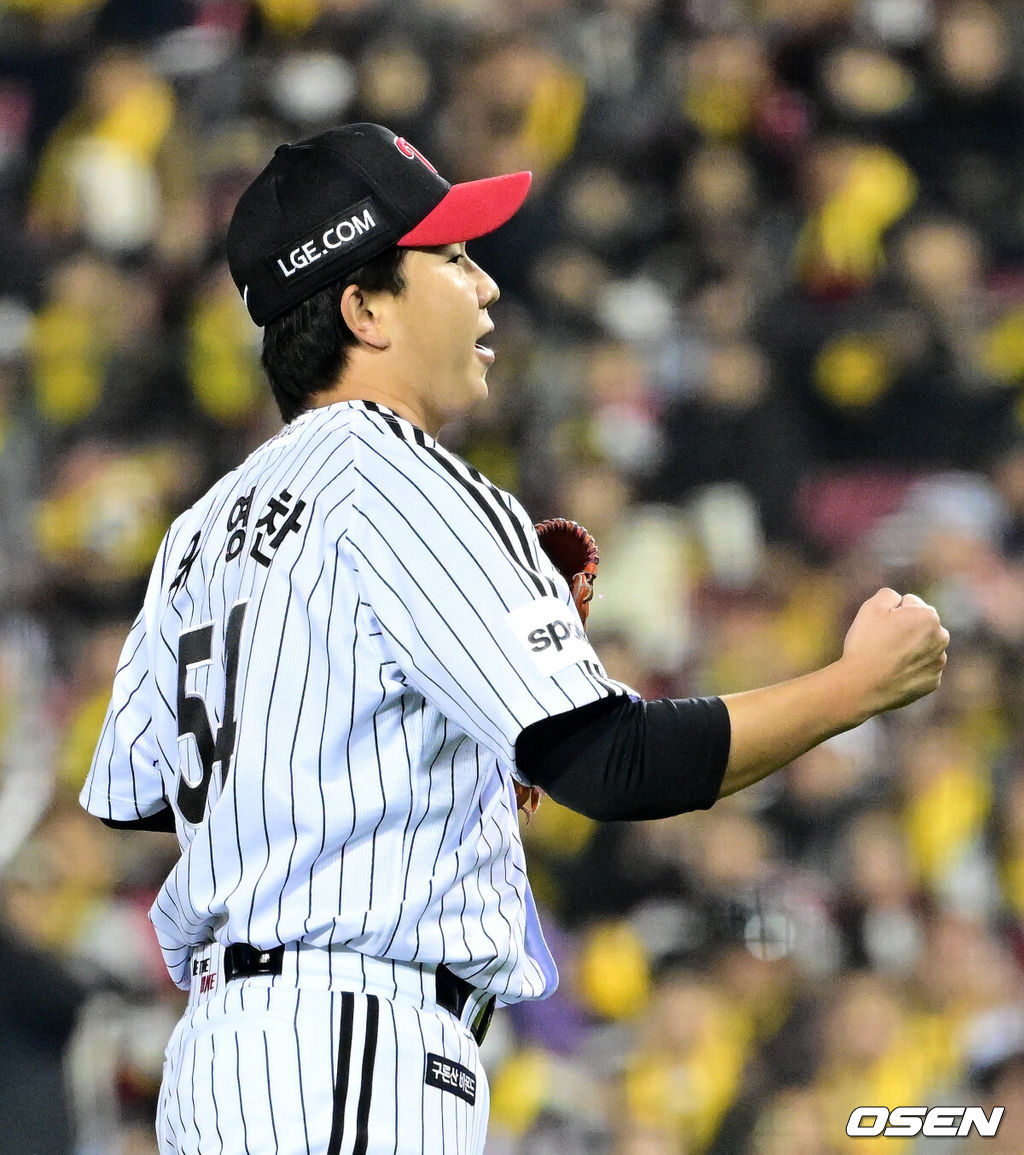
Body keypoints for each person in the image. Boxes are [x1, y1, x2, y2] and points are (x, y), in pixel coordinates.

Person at [79, 123, 949, 1155]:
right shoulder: (406, 484)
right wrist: (853, 688)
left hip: (228, 1059)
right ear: (363, 307)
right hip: (352, 1050)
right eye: (447, 258)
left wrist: (443, 736)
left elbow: (138, 796)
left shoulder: (198, 531)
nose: (485, 284)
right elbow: (617, 765)